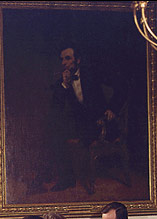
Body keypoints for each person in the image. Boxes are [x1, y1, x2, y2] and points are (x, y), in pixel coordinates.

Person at [36, 43, 118, 195]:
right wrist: (65, 85)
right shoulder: (62, 81)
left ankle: (58, 176)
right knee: (53, 129)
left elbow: (121, 87)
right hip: (81, 125)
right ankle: (65, 178)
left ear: (78, 60)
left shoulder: (93, 74)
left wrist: (112, 109)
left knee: (58, 129)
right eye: (62, 59)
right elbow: (56, 107)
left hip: (100, 123)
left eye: (68, 58)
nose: (64, 63)